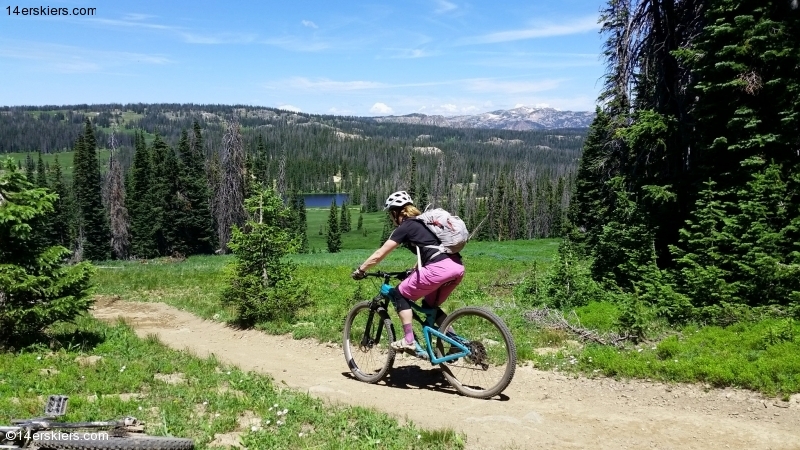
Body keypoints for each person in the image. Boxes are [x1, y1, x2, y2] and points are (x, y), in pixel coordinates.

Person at [351, 190, 465, 351]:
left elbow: (379, 254)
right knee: (429, 305)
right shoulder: (423, 224)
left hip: (438, 269)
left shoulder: (406, 226)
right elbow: (430, 250)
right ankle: (457, 343)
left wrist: (361, 270)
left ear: (395, 212)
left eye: (391, 215)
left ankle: (409, 339)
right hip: (456, 267)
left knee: (399, 293)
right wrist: (413, 270)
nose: (391, 219)